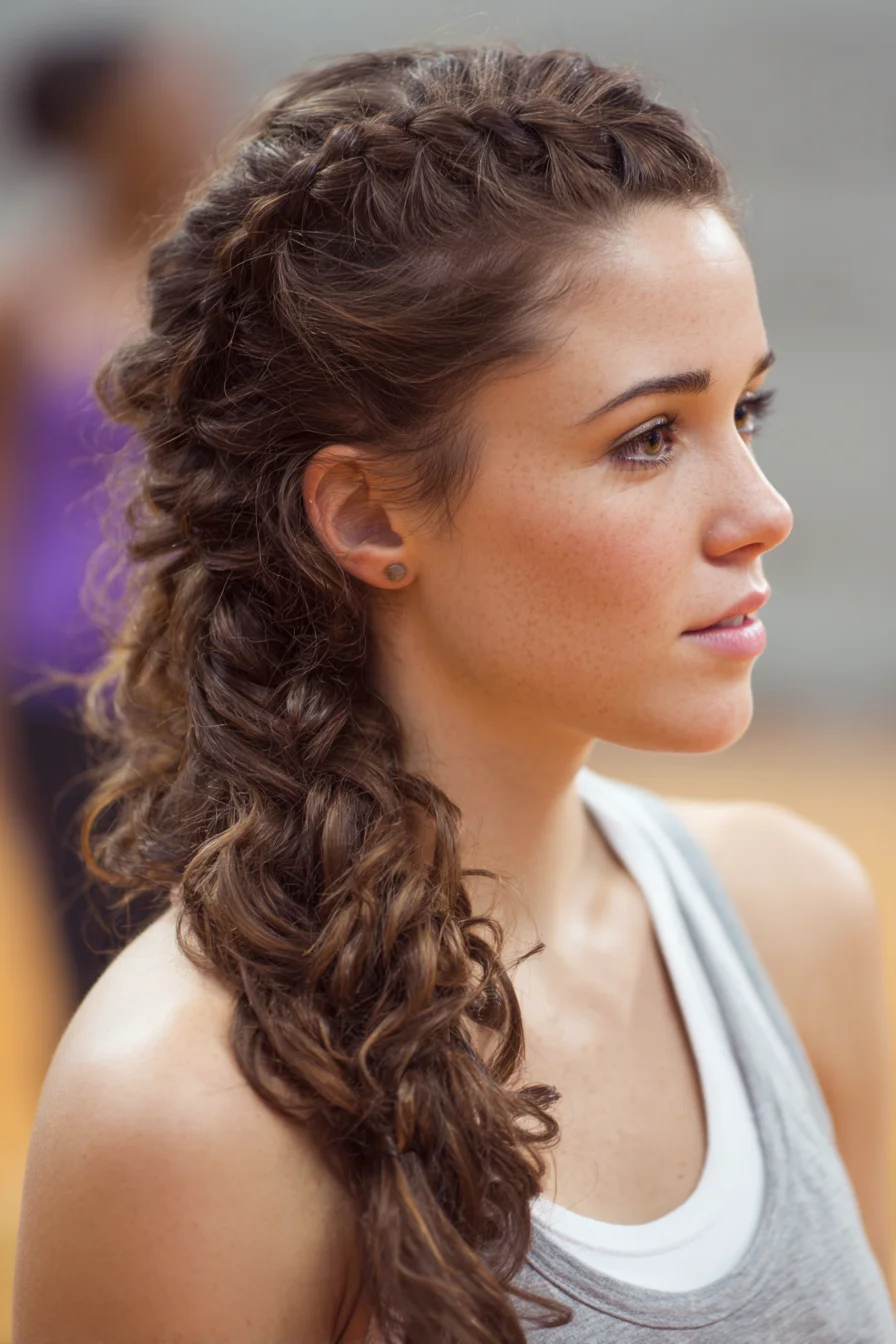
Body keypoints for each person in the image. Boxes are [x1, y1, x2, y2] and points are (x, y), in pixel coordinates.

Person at [11, 45, 895, 1344]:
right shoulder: (180, 1113)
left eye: (745, 411)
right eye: (647, 438)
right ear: (370, 516)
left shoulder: (796, 919)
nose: (763, 513)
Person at [0, 28, 224, 1006]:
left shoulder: (223, 277)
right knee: (92, 939)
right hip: (58, 661)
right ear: (99, 130)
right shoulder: (30, 294)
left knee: (223, 931)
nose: (191, 118)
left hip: (205, 647)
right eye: (161, 103)